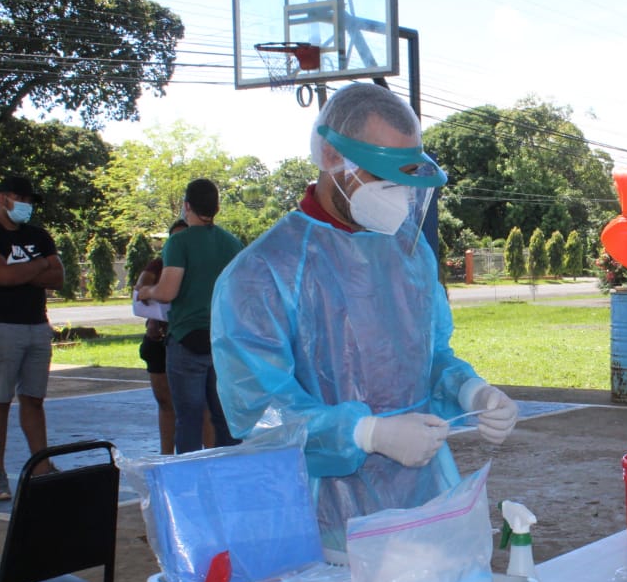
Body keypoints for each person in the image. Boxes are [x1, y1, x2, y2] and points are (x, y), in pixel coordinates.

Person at [210, 82, 519, 549]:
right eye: (382, 176)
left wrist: (471, 391)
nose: (398, 194)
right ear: (331, 157)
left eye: (406, 177)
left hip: (423, 498)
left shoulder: (408, 253)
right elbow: (260, 413)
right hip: (322, 516)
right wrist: (365, 433)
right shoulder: (263, 273)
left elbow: (427, 356)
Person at [0, 176, 65, 501]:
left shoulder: (39, 235)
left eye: (29, 199)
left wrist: (24, 272)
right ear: (2, 198)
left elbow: (59, 277)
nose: (26, 204)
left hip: (37, 326)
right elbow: (0, 276)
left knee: (34, 399)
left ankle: (42, 466)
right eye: (20, 198)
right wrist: (39, 265)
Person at [136, 179, 242, 454]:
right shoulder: (232, 244)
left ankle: (189, 475)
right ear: (217, 207)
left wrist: (147, 291)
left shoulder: (179, 242)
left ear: (187, 206)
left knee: (189, 419)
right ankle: (230, 470)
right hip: (222, 340)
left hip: (186, 338)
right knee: (224, 418)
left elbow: (168, 291)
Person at [135, 219, 215, 454]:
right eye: (174, 239)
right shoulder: (159, 264)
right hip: (160, 339)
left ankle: (210, 457)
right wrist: (150, 291)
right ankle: (167, 457)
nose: (179, 244)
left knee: (203, 406)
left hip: (193, 340)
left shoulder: (205, 266)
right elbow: (141, 288)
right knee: (166, 402)